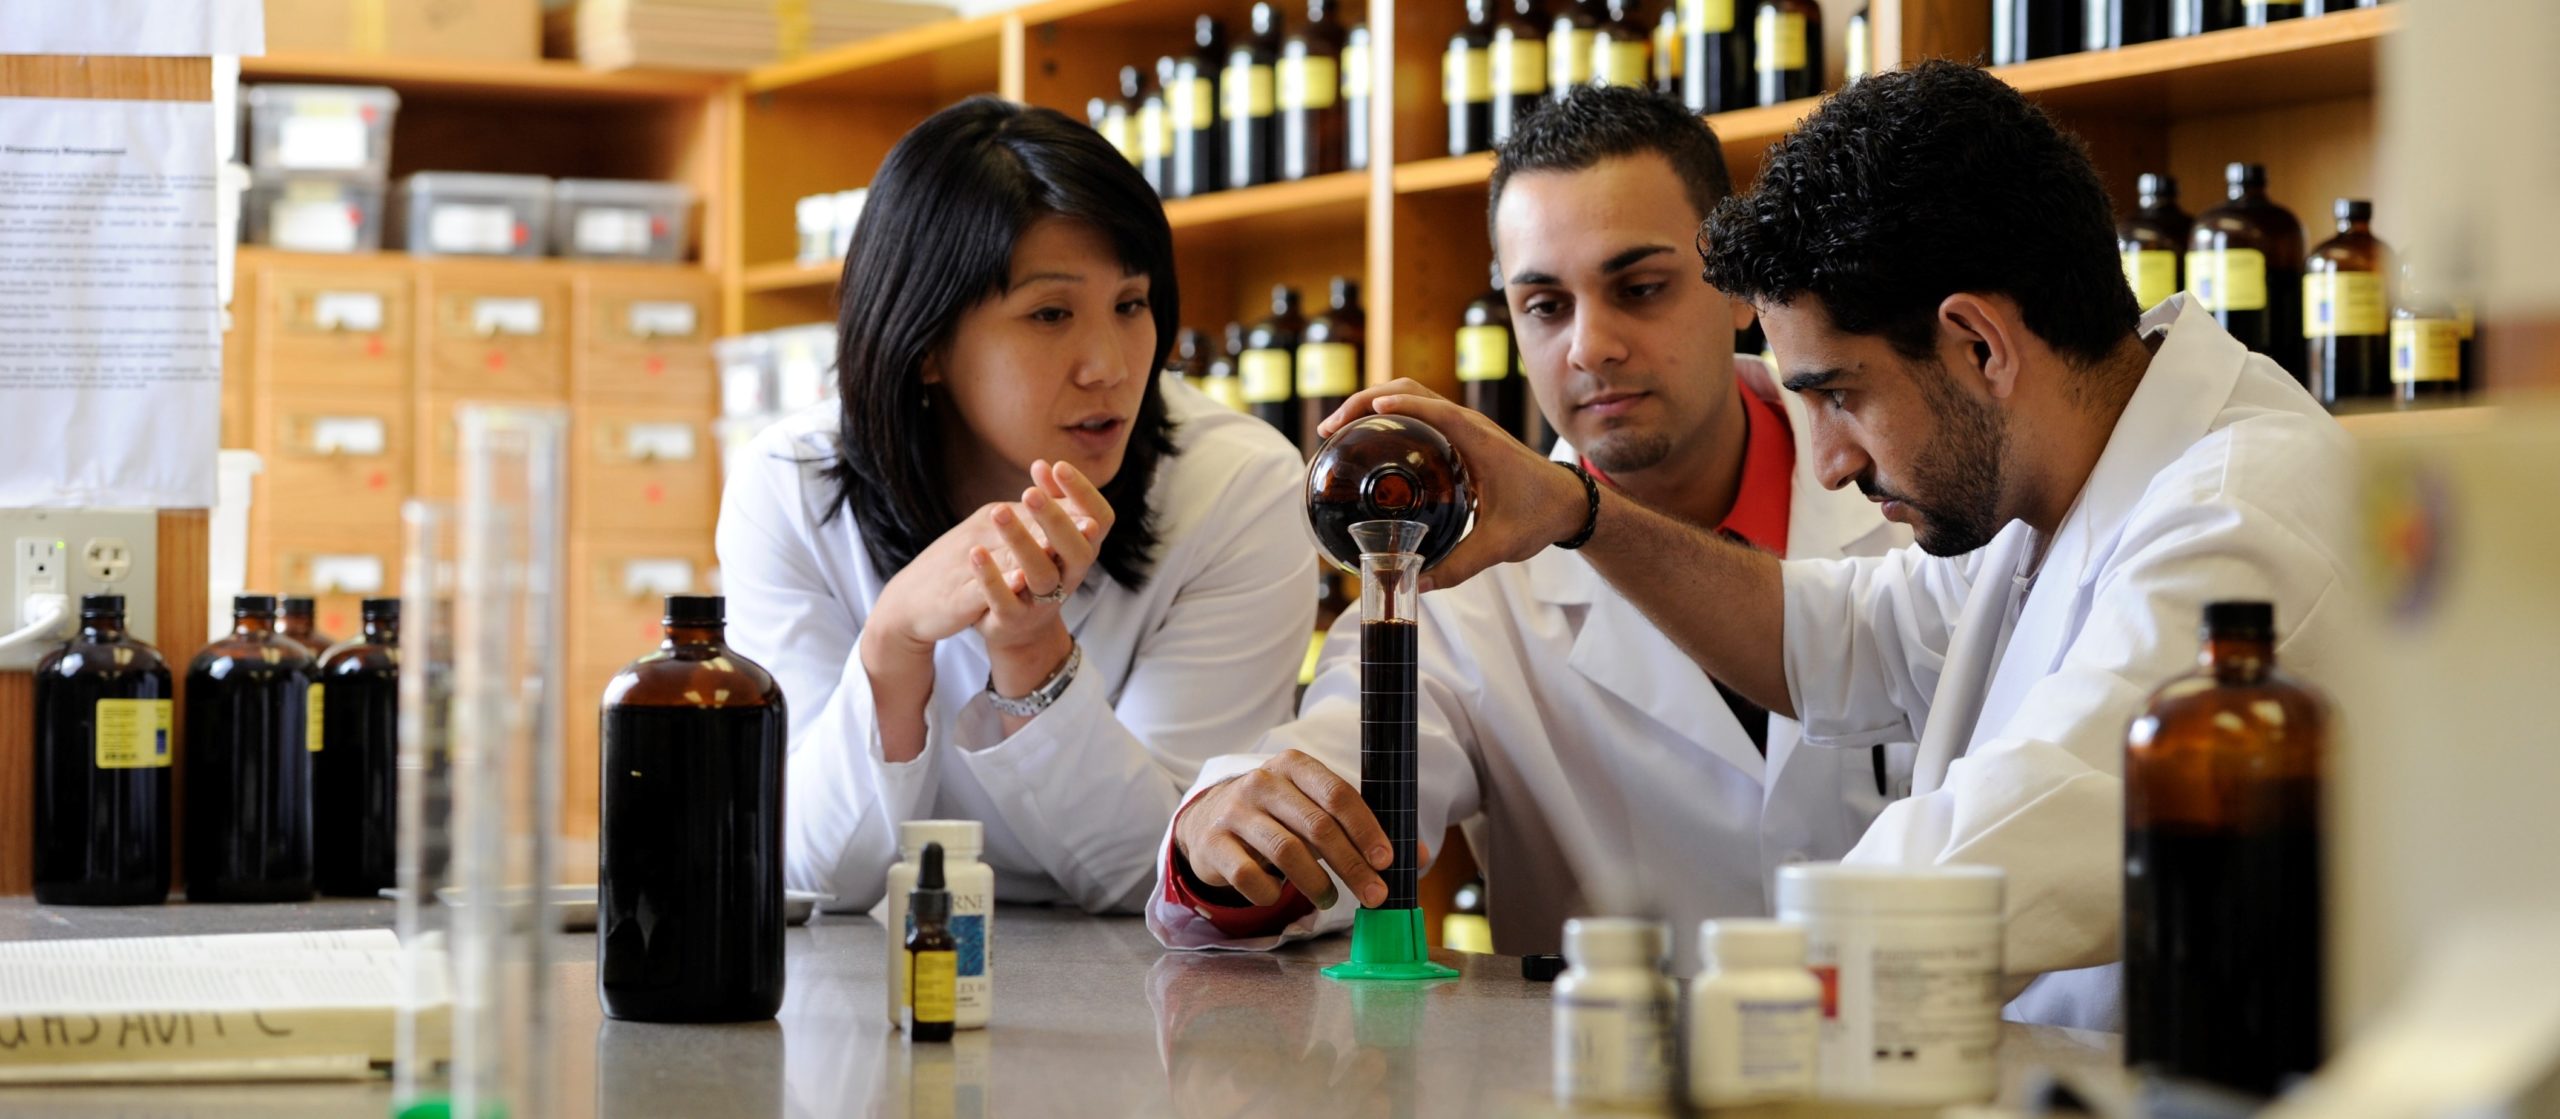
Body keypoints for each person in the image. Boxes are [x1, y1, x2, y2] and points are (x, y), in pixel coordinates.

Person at [1308, 62, 2358, 1027]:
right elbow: (1836, 636)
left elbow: (2012, 842)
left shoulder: (2240, 512)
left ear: (1979, 343)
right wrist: (1576, 512)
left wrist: (1693, 1010)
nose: (1829, 463)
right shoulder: (2056, 485)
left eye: (1840, 395)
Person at [1147, 86, 1912, 969]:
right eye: (1545, 305)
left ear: (1741, 286)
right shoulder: (1466, 586)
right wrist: (1229, 826)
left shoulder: (1913, 506)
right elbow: (1338, 780)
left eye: (1641, 288)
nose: (1591, 346)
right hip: (1610, 1054)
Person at [718, 97, 1316, 914]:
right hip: (884, 976)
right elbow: (809, 875)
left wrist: (1034, 655)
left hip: (1138, 986)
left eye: (1130, 304)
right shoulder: (791, 486)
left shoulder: (1239, 487)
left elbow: (1166, 874)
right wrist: (892, 643)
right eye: (1050, 314)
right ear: (926, 341)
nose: (1108, 366)